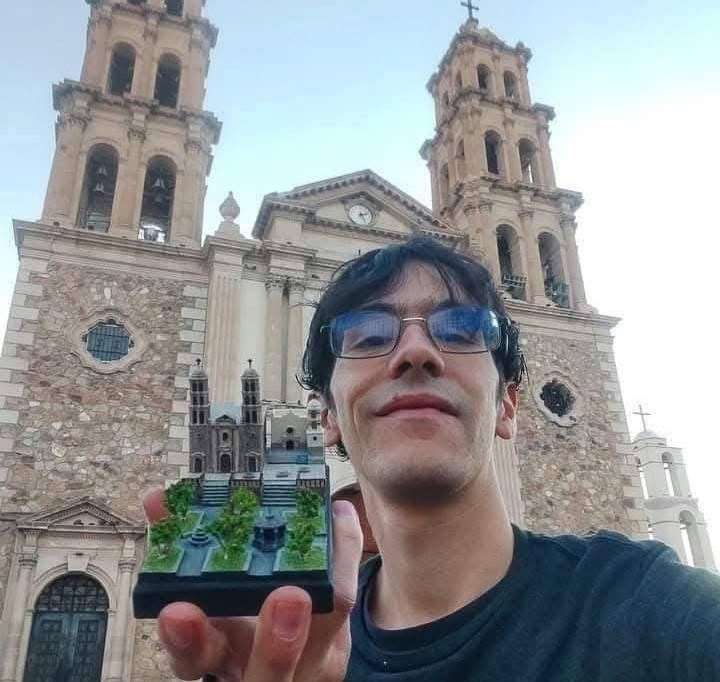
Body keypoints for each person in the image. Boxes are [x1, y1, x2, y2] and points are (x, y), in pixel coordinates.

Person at [143, 236, 720, 681]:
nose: (416, 351)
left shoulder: (655, 607)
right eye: (369, 335)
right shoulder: (301, 645)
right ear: (327, 417)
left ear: (507, 404)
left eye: (461, 328)